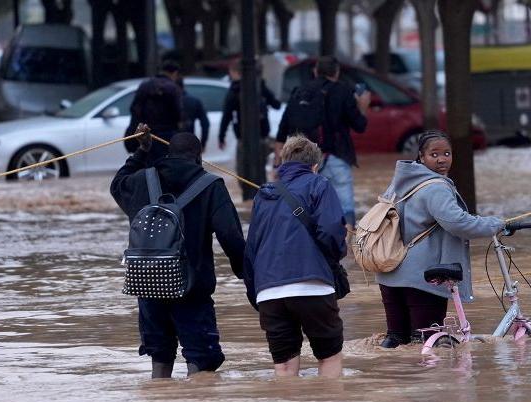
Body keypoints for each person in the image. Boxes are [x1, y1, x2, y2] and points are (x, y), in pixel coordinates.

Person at [111, 124, 246, 378]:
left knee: (160, 356)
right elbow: (231, 236)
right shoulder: (210, 185)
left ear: (168, 153)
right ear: (199, 157)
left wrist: (141, 151)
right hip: (192, 289)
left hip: (149, 285)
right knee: (201, 360)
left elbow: (117, 185)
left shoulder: (142, 179)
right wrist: (246, 274)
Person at [376, 130, 505, 348]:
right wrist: (496, 224)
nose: (442, 159)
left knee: (396, 343)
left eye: (447, 153)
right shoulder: (436, 187)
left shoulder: (399, 183)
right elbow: (458, 223)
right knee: (427, 344)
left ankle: (392, 381)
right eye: (434, 154)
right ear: (421, 157)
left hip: (389, 274)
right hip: (424, 278)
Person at [244, 135, 347, 378]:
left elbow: (251, 248)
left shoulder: (263, 195)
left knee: (284, 367)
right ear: (315, 166)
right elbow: (331, 232)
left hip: (269, 292)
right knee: (328, 357)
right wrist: (335, 258)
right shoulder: (319, 184)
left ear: (282, 162)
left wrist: (256, 293)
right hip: (313, 288)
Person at [276, 56, 370, 230]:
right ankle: (346, 247)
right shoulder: (343, 91)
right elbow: (360, 125)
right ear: (336, 72)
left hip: (303, 159)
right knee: (344, 205)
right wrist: (362, 107)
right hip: (336, 155)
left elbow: (283, 129)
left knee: (307, 204)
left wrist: (278, 162)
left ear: (315, 71)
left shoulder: (299, 91)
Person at [218, 59, 282, 201]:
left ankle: (250, 197)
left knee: (243, 171)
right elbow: (276, 104)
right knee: (260, 170)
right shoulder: (260, 86)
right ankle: (263, 197)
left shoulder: (235, 90)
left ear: (236, 72)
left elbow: (227, 115)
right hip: (262, 136)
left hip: (244, 138)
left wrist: (221, 136)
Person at [123, 60, 183, 164]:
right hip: (166, 135)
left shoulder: (144, 85)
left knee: (146, 165)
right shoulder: (173, 88)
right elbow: (178, 114)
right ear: (175, 73)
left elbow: (135, 109)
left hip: (146, 134)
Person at [177, 77, 210, 151]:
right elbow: (205, 124)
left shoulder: (165, 102)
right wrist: (203, 143)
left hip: (168, 143)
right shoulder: (194, 101)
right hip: (189, 142)